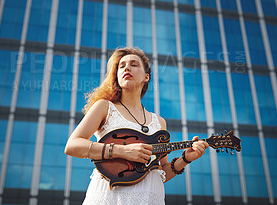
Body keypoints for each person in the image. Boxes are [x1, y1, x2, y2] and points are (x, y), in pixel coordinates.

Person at [65, 47, 209, 204]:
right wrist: (124, 151)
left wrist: (186, 159)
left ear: (146, 77)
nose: (126, 67)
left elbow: (161, 173)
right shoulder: (104, 107)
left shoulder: (159, 122)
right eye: (121, 66)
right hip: (110, 198)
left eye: (134, 64)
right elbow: (72, 145)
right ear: (117, 76)